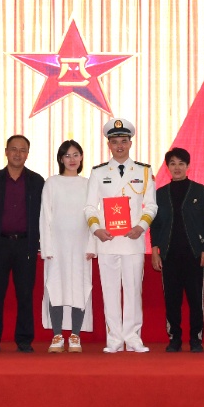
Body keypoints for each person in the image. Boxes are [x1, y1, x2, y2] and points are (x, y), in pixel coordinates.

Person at [84, 118, 157, 353]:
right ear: (109, 144)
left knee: (133, 291)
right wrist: (96, 229)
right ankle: (114, 338)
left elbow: (151, 206)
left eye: (123, 141)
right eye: (114, 142)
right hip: (107, 240)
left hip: (133, 240)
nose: (119, 146)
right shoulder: (98, 172)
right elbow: (90, 207)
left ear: (130, 143)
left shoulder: (144, 171)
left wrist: (141, 227)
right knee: (110, 291)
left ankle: (133, 337)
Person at [0, 135, 45, 353]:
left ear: (28, 154)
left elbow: (45, 216)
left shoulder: (37, 181)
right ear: (6, 152)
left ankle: (24, 340)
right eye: (14, 149)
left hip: (26, 245)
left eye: (23, 150)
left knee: (25, 295)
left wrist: (40, 243)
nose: (18, 154)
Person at [150, 148, 204, 353]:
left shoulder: (199, 191)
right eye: (172, 164)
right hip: (169, 255)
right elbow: (156, 225)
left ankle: (196, 339)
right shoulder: (160, 194)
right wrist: (155, 251)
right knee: (172, 300)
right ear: (167, 168)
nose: (177, 167)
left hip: (194, 255)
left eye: (181, 163)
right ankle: (174, 339)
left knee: (196, 300)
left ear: (188, 166)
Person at [40, 140, 96, 353]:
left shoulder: (88, 184)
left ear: (81, 158)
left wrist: (92, 245)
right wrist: (47, 247)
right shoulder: (52, 183)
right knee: (55, 287)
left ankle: (75, 335)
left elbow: (94, 216)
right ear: (60, 159)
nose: (72, 159)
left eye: (76, 155)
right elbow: (45, 216)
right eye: (67, 155)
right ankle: (57, 335)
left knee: (79, 287)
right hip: (57, 247)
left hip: (81, 247)